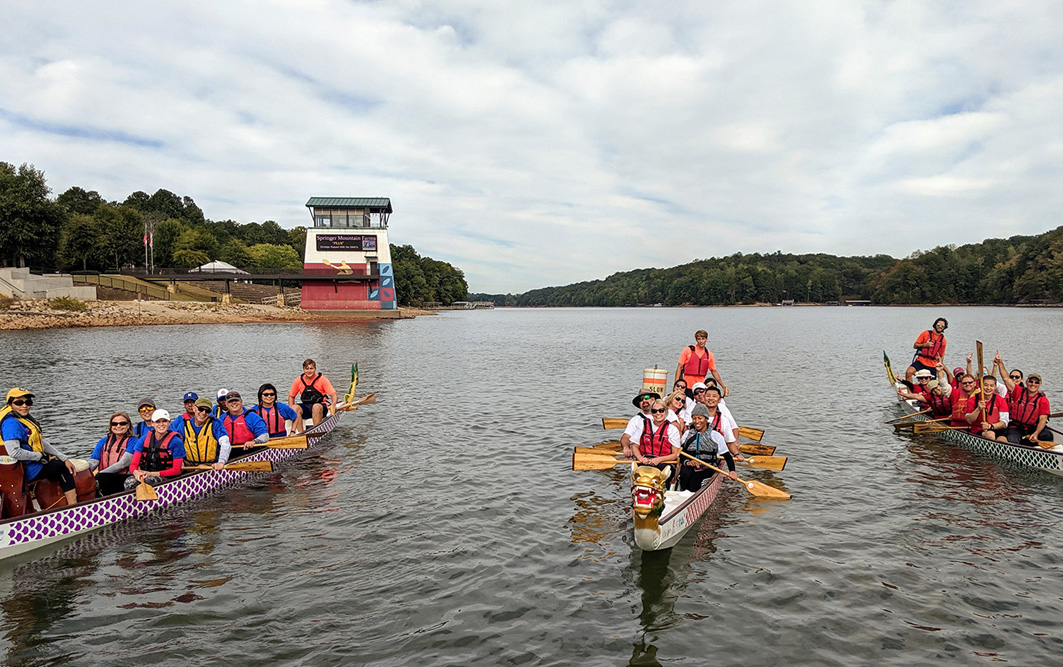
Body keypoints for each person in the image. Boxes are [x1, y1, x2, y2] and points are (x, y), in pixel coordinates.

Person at [0, 388, 79, 506]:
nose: (24, 406)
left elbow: (39, 442)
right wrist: (40, 456)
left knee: (59, 462)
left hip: (19, 468)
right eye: (19, 403)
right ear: (10, 404)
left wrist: (63, 457)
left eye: (28, 402)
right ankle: (73, 505)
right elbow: (14, 452)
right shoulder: (11, 423)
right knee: (61, 467)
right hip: (22, 471)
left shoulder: (20, 419)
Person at [679, 403, 737, 491]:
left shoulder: (715, 436)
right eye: (694, 418)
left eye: (700, 418)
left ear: (706, 419)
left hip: (708, 468)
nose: (696, 421)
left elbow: (728, 457)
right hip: (691, 466)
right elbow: (680, 453)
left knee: (695, 479)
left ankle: (692, 495)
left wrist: (732, 471)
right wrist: (687, 462)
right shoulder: (687, 434)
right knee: (685, 473)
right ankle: (682, 493)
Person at [996, 355, 1052, 445]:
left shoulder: (1043, 399)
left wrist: (1036, 433)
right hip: (1016, 426)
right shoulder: (1018, 391)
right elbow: (1006, 378)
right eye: (1031, 381)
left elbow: (1042, 419)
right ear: (1026, 382)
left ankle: (1034, 445)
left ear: (1040, 384)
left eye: (1036, 382)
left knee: (1048, 435)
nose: (1033, 384)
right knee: (1012, 439)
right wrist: (1000, 363)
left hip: (1033, 427)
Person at [88, 411, 139, 496]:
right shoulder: (103, 441)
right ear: (111, 426)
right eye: (115, 424)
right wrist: (80, 473)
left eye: (122, 423)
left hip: (124, 477)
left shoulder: (133, 441)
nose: (118, 426)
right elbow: (93, 462)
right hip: (104, 477)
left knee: (102, 478)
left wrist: (100, 474)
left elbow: (122, 464)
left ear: (128, 426)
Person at [129, 409, 185, 486]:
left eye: (164, 421)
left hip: (168, 477)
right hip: (146, 474)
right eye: (157, 421)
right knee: (129, 482)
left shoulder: (176, 442)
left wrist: (151, 474)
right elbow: (133, 465)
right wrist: (136, 472)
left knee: (148, 481)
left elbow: (177, 470)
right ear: (152, 423)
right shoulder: (143, 439)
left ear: (169, 423)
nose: (161, 424)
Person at [631, 400, 680, 476]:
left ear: (666, 411)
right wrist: (640, 458)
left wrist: (659, 460)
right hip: (644, 461)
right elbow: (635, 446)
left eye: (661, 411)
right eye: (654, 411)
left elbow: (675, 455)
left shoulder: (672, 430)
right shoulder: (642, 425)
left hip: (663, 463)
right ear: (651, 412)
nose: (658, 413)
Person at [182, 398, 233, 469]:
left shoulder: (215, 424)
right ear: (194, 408)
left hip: (210, 464)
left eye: (207, 411)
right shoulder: (184, 425)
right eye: (200, 409)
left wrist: (221, 462)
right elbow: (175, 443)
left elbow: (225, 443)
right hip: (189, 464)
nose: (203, 413)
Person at [675, 330, 727, 395]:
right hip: (687, 385)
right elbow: (679, 368)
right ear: (696, 340)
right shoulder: (688, 350)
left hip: (700, 387)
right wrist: (676, 384)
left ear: (706, 339)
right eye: (699, 339)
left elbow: (714, 371)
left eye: (703, 339)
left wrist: (722, 386)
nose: (701, 341)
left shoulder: (709, 354)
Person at [289, 360, 338, 427]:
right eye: (307, 369)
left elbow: (333, 395)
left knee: (316, 407)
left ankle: (316, 430)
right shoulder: (298, 380)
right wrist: (291, 410)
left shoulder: (322, 379)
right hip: (306, 406)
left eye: (311, 368)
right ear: (303, 369)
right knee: (295, 407)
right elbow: (291, 396)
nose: (309, 371)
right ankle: (301, 433)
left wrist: (333, 405)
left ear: (315, 369)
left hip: (320, 407)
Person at [963, 375, 1009, 441]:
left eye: (991, 386)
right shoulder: (973, 400)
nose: (988, 388)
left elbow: (1004, 422)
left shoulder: (1000, 400)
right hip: (979, 429)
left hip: (996, 427)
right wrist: (978, 409)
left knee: (1002, 439)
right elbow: (969, 420)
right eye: (985, 385)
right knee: (990, 435)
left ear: (995, 387)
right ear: (980, 386)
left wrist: (990, 426)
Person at [906, 318, 948, 384]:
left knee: (931, 384)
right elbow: (915, 346)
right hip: (921, 360)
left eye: (942, 325)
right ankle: (910, 391)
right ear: (935, 325)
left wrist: (940, 367)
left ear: (944, 327)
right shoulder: (925, 333)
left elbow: (941, 356)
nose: (940, 326)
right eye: (939, 324)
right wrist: (925, 345)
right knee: (909, 372)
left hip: (932, 364)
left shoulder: (943, 341)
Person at [620, 391, 659, 459]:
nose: (644, 400)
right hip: (643, 457)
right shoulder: (635, 420)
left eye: (647, 397)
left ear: (653, 399)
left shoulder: (665, 414)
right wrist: (626, 448)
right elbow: (626, 436)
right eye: (641, 399)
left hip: (663, 457)